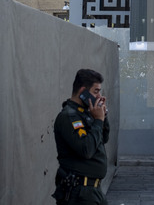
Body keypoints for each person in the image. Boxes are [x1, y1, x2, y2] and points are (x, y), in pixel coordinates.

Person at [53, 69, 110, 205]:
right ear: (83, 91)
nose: (99, 96)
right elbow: (86, 149)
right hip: (79, 192)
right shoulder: (69, 117)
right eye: (96, 91)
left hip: (93, 190)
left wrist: (103, 116)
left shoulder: (86, 113)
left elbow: (104, 138)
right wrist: (98, 121)